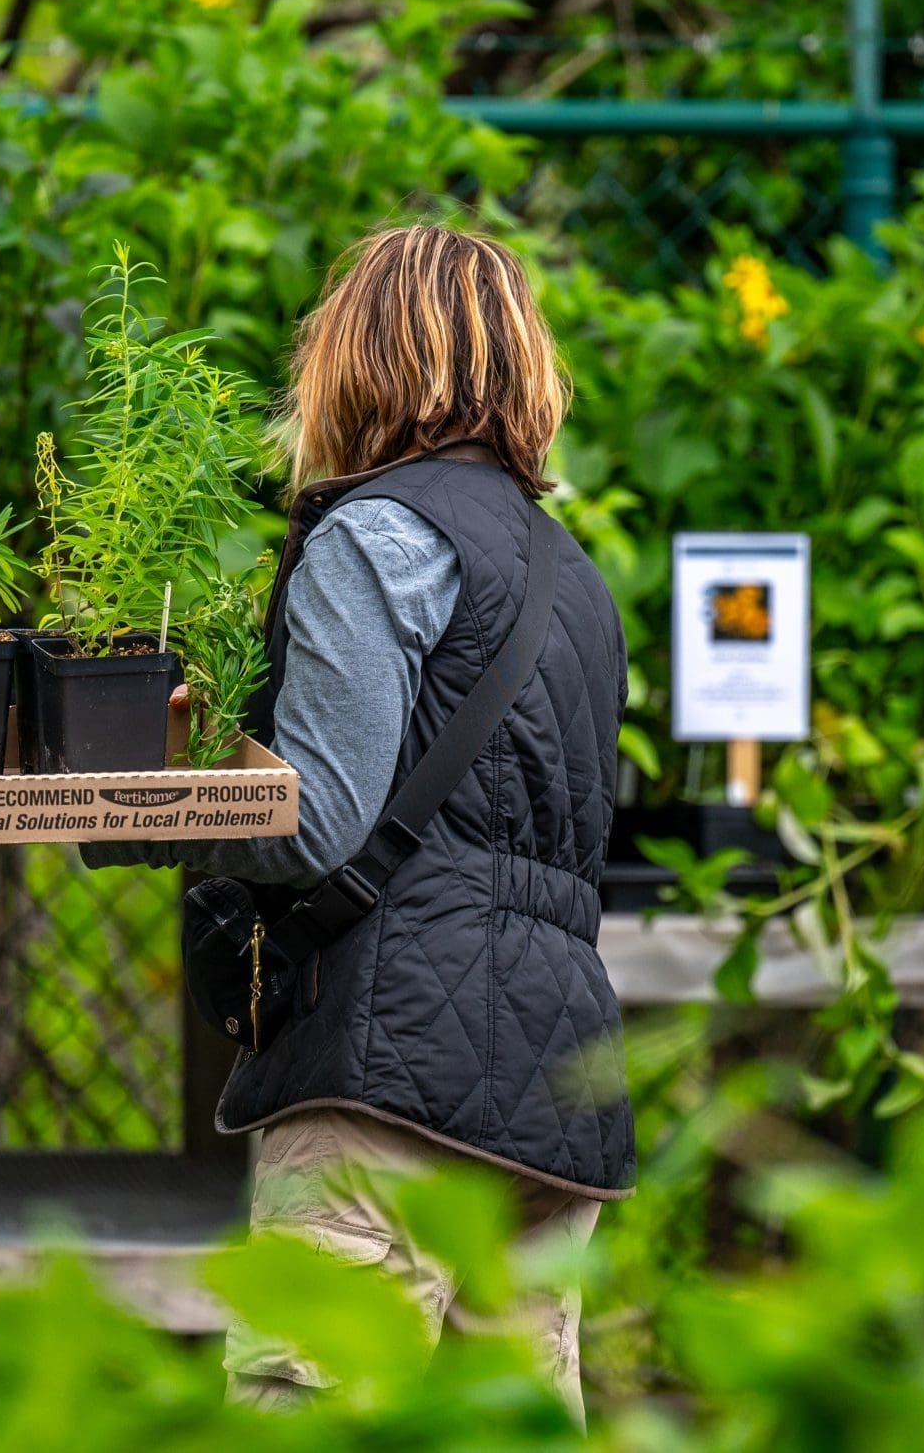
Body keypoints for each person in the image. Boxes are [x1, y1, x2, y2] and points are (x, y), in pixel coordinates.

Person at [82, 223, 633, 1419]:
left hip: (386, 1075)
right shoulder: (577, 580)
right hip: (558, 1093)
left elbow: (319, 821)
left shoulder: (374, 537)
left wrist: (152, 799)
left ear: (361, 358)